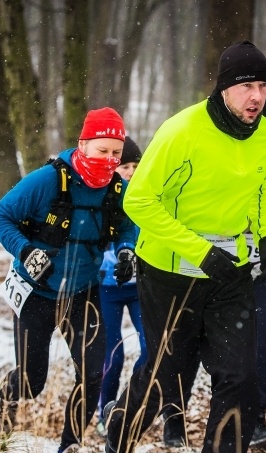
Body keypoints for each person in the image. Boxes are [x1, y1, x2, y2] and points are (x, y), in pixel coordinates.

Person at [103, 41, 266, 453]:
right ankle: (122, 426)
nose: (256, 96)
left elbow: (262, 190)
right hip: (169, 272)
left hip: (230, 274)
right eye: (246, 86)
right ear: (224, 88)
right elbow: (139, 201)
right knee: (169, 377)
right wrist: (199, 250)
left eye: (263, 86)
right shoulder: (181, 131)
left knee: (241, 379)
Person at [0, 107, 137, 453]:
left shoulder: (117, 188)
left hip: (83, 291)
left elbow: (127, 226)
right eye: (102, 150)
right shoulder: (47, 180)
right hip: (37, 290)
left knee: (93, 372)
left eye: (116, 153)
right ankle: (6, 395)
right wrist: (26, 251)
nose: (110, 160)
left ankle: (70, 451)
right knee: (31, 381)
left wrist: (126, 252)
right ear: (83, 145)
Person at [160, 139, 266, 451]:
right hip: (207, 266)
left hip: (258, 267)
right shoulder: (211, 150)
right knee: (189, 341)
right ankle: (173, 417)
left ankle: (251, 420)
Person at [94, 137, 148, 437]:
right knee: (113, 354)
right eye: (124, 166)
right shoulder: (103, 196)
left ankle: (128, 405)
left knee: (151, 349)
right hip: (107, 287)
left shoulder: (148, 196)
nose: (130, 171)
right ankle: (105, 411)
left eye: (135, 165)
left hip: (141, 287)